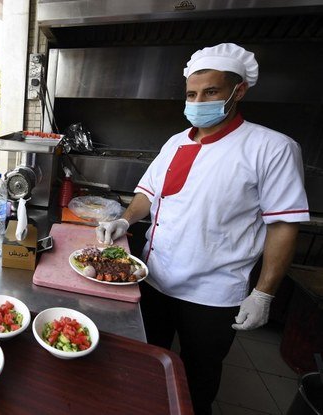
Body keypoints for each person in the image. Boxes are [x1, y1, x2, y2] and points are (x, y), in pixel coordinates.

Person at [95, 43, 309, 414]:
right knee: (149, 362)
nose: (198, 101)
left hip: (212, 294)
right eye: (192, 94)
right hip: (152, 278)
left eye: (210, 92)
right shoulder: (175, 142)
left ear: (238, 91)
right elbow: (147, 193)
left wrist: (264, 294)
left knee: (197, 380)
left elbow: (285, 226)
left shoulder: (271, 147)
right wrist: (124, 219)